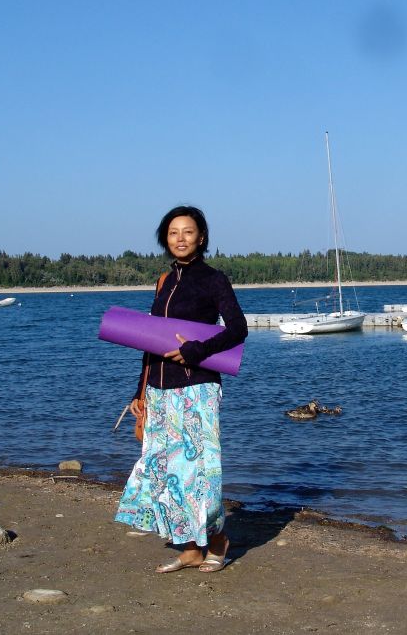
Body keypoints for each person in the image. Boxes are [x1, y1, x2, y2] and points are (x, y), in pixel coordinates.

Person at [115, 206, 247, 573]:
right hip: (159, 390)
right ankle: (189, 549)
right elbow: (149, 342)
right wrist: (139, 393)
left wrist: (197, 350)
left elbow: (238, 328)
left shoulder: (214, 279)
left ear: (201, 238)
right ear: (165, 239)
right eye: (173, 233)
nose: (180, 238)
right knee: (164, 473)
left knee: (200, 473)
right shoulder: (163, 282)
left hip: (197, 388)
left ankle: (217, 540)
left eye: (188, 232)